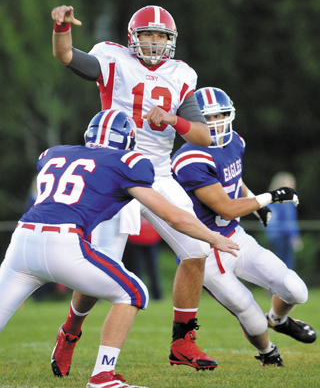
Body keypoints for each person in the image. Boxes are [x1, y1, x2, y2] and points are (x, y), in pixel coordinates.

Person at [0, 109, 239, 388]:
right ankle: (103, 376)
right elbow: (172, 215)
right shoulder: (126, 161)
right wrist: (213, 237)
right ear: (127, 139)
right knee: (133, 292)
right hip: (64, 244)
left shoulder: (55, 153)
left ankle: (72, 338)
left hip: (21, 242)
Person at [50, 4, 218, 373]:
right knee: (102, 271)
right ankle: (71, 331)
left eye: (161, 36)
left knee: (197, 250)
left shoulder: (181, 75)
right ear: (133, 38)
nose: (155, 42)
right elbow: (64, 55)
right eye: (148, 34)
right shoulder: (112, 59)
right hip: (115, 169)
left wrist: (175, 119)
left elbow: (204, 137)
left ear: (171, 41)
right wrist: (62, 27)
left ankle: (182, 341)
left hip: (157, 173)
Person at [171, 87, 317, 367]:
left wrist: (254, 201)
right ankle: (268, 353)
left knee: (296, 290)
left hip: (234, 236)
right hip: (203, 248)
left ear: (230, 115)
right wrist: (271, 197)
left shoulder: (235, 141)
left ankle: (279, 319)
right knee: (247, 311)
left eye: (221, 115)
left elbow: (233, 181)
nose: (215, 123)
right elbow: (224, 206)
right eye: (207, 118)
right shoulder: (190, 158)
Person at [265, 172, 303, 269]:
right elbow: (289, 220)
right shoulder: (287, 201)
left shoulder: (269, 200)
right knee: (286, 267)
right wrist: (294, 236)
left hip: (272, 236)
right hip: (284, 236)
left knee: (275, 265)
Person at [123, 217, 163, 300]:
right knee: (138, 269)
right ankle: (140, 294)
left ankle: (155, 295)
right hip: (137, 239)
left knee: (151, 269)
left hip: (148, 238)